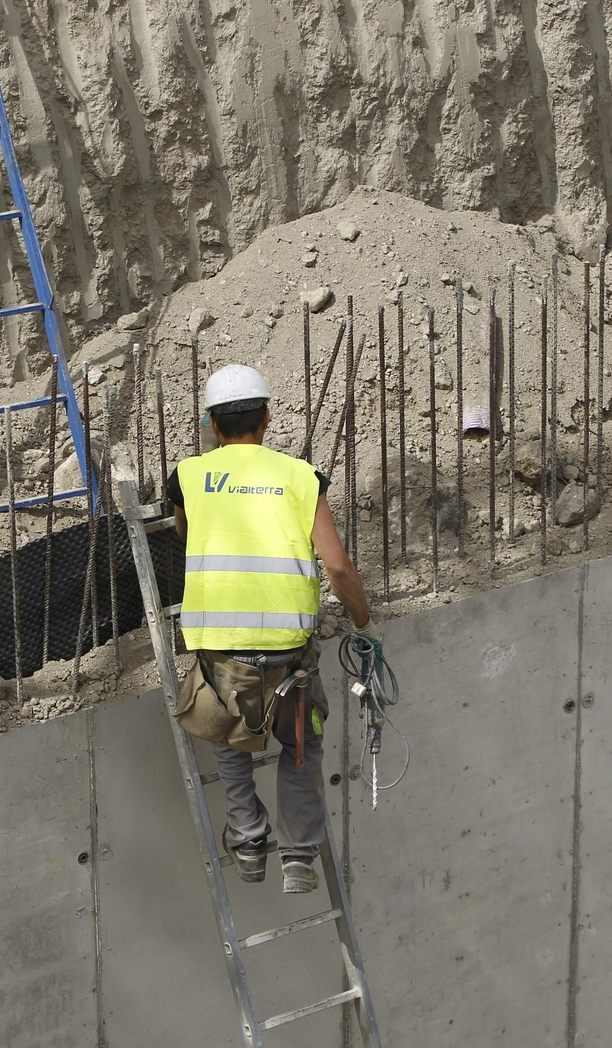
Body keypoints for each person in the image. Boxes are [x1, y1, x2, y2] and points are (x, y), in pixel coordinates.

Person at [167, 364, 383, 894]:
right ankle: (299, 856)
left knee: (230, 737)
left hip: (223, 652)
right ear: (266, 419)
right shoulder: (299, 477)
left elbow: (184, 531)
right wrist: (363, 622)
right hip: (289, 654)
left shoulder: (189, 477)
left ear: (212, 426)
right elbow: (337, 567)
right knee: (300, 744)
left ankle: (246, 840)